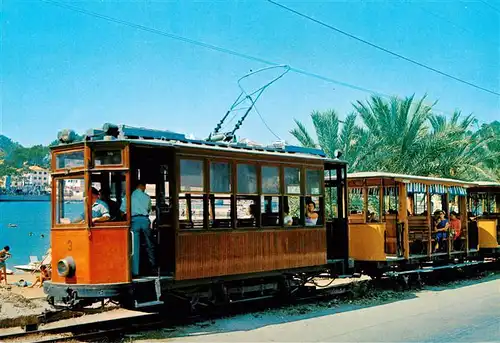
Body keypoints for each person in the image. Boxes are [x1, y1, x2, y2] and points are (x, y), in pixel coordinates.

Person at [120, 182, 155, 277]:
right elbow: (148, 209)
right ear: (142, 186)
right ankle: (152, 267)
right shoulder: (147, 197)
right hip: (144, 220)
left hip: (134, 220)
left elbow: (122, 211)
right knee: (149, 244)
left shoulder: (128, 197)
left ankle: (135, 271)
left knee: (134, 246)